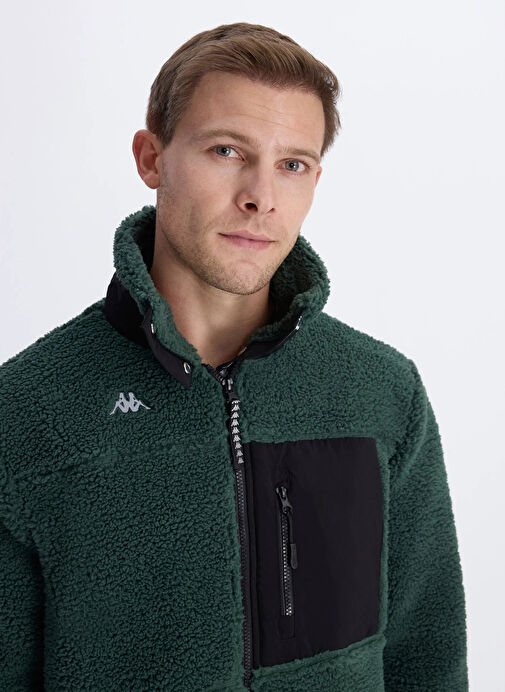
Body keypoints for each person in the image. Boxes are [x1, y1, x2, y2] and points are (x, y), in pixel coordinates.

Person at [0, 21, 468, 691]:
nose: (260, 197)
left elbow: (427, 660)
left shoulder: (380, 392)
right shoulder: (27, 409)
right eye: (226, 150)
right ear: (151, 158)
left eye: (292, 164)